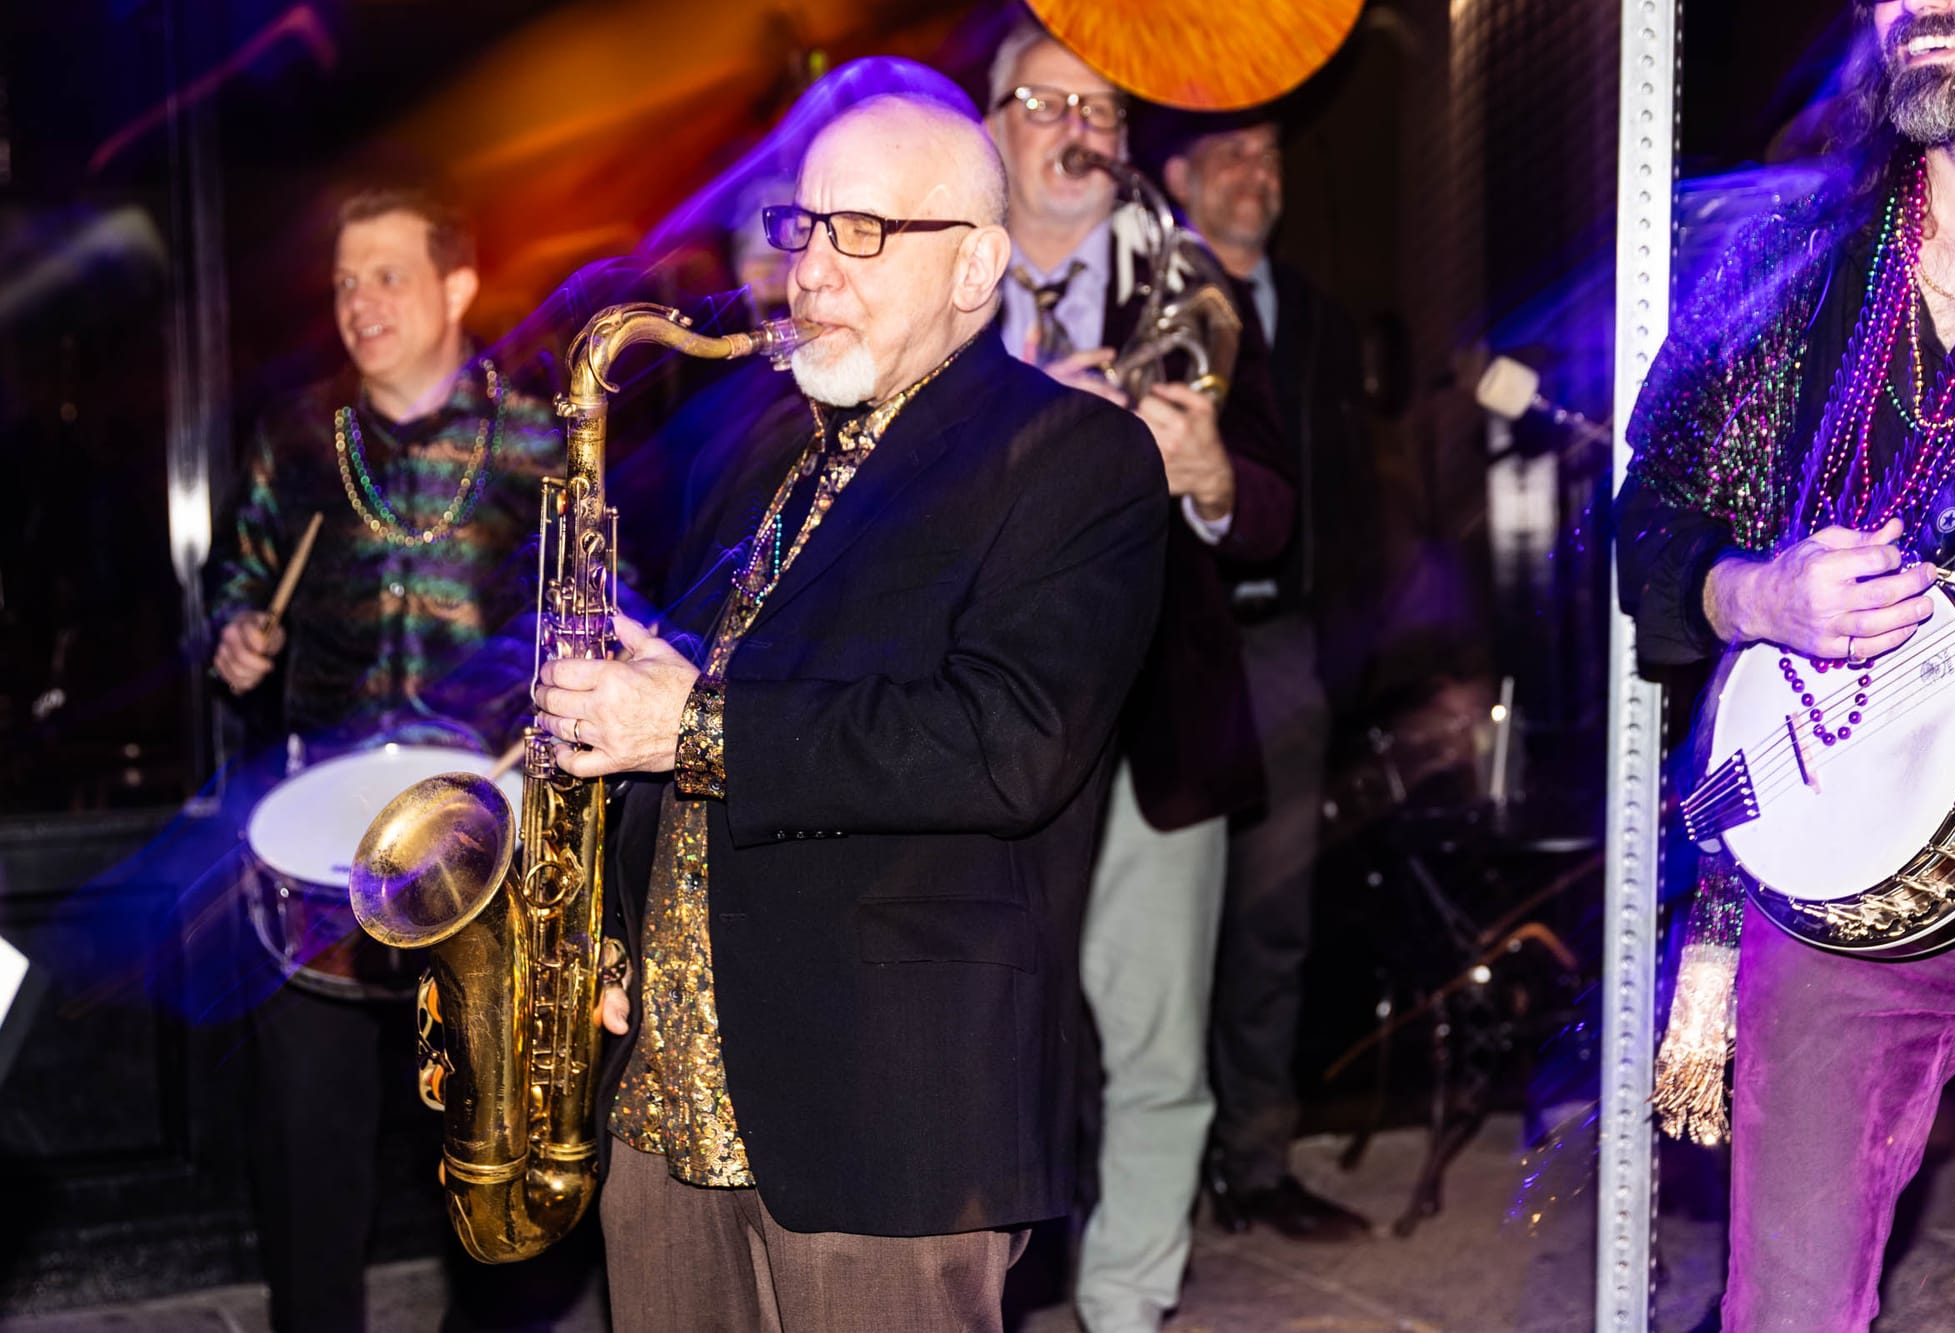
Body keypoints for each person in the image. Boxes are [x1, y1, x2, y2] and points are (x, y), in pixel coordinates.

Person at [532, 88, 1169, 1331]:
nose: (811, 270)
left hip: (884, 1104)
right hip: (661, 1092)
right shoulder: (766, 450)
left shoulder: (1075, 458)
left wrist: (692, 723)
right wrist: (603, 917)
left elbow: (1007, 741)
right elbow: (718, 700)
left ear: (975, 266)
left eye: (862, 232)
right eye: (803, 226)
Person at [1616, 1, 1955, 1326]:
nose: (1918, 4)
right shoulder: (1788, 258)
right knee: (1785, 1307)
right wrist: (1756, 592)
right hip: (1842, 880)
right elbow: (1648, 521)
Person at [206, 184, 566, 1333]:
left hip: (480, 842)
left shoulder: (540, 438)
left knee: (489, 1151)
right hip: (316, 851)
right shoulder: (298, 436)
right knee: (307, 1159)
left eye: (387, 275)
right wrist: (237, 631)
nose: (358, 301)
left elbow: (599, 605)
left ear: (457, 285)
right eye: (344, 282)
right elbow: (236, 576)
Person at [982, 22, 1296, 1333]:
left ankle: (1126, 1305)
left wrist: (1210, 473)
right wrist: (1014, 432)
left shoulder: (1193, 289)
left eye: (1102, 109)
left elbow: (1276, 508)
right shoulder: (939, 281)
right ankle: (981, 1293)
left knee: (1160, 1047)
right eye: (1046, 103)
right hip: (974, 722)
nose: (1078, 129)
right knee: (980, 1038)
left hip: (1156, 725)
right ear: (991, 129)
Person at [1158, 112, 1378, 1242]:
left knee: (1272, 917)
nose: (1258, 173)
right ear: (1177, 176)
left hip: (1284, 645)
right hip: (1166, 650)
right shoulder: (1146, 305)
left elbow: (1353, 489)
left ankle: (1254, 1160)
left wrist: (1352, 634)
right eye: (1231, 154)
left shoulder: (1318, 314)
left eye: (1272, 154)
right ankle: (1138, 1180)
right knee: (1153, 928)